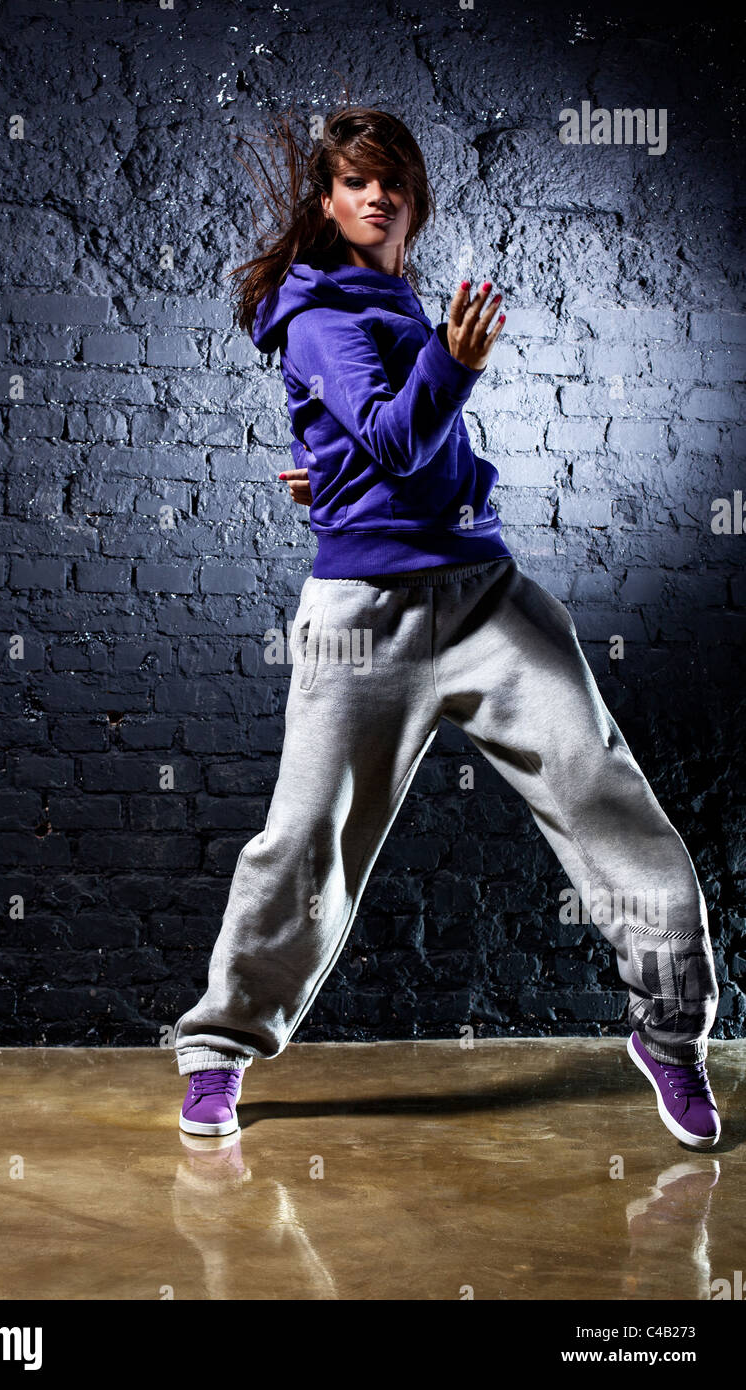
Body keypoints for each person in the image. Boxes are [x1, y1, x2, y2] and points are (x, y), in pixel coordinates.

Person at [175, 105, 720, 1149]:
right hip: (361, 626)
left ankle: (669, 1029)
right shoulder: (318, 304)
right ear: (327, 204)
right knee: (303, 843)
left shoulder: (390, 293)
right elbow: (390, 433)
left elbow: (386, 447)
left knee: (609, 798)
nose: (373, 196)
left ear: (413, 195)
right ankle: (218, 1047)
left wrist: (337, 476)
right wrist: (452, 372)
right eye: (351, 182)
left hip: (482, 597)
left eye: (390, 180)